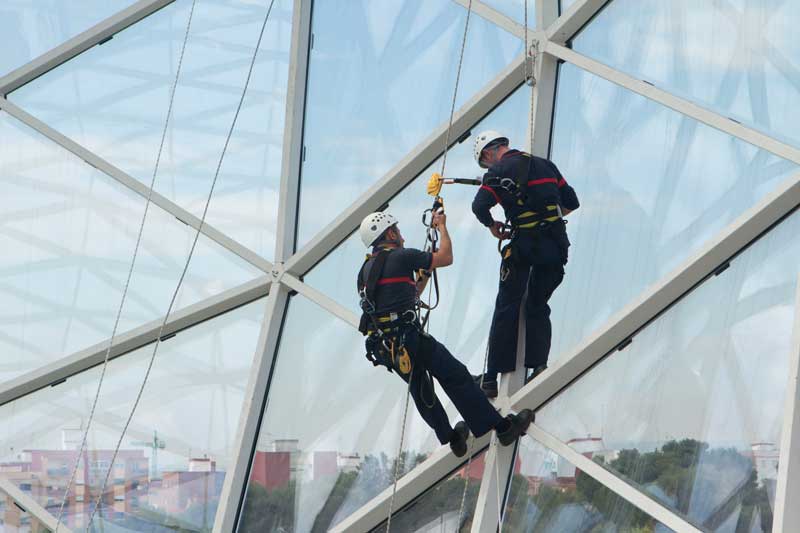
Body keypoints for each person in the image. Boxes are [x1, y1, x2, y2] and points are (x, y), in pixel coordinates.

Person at [356, 210, 533, 457]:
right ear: (390, 233)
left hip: (388, 347)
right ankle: (504, 428)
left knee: (421, 390)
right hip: (410, 338)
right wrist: (442, 227)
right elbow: (446, 257)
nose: (402, 236)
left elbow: (408, 296)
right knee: (456, 377)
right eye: (398, 230)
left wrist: (424, 275)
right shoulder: (401, 257)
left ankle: (452, 438)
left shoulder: (366, 270)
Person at [470, 130, 580, 398]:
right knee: (538, 305)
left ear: (487, 154)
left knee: (507, 307)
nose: (488, 167)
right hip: (555, 247)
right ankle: (539, 366)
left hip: (524, 247)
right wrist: (547, 218)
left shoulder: (496, 174)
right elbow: (572, 202)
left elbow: (479, 206)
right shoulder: (545, 165)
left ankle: (492, 377)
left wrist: (493, 226)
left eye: (485, 163)